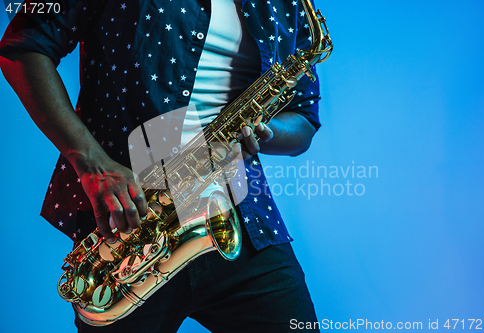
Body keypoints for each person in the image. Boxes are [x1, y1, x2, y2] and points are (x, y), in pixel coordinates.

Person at [0, 0, 322, 331]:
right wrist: (92, 163)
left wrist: (264, 131)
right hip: (131, 222)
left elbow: (304, 119)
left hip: (241, 215)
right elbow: (24, 47)